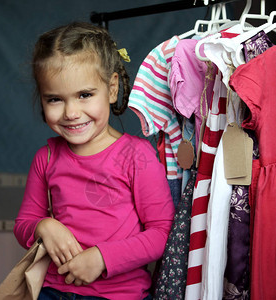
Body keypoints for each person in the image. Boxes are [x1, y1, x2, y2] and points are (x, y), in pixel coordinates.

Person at [14, 22, 175, 300]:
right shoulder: (46, 157)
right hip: (52, 291)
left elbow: (162, 232)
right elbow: (24, 223)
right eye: (55, 99)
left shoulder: (138, 156)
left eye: (85, 95)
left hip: (121, 295)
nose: (72, 112)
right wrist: (43, 226)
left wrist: (102, 258)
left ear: (111, 89)